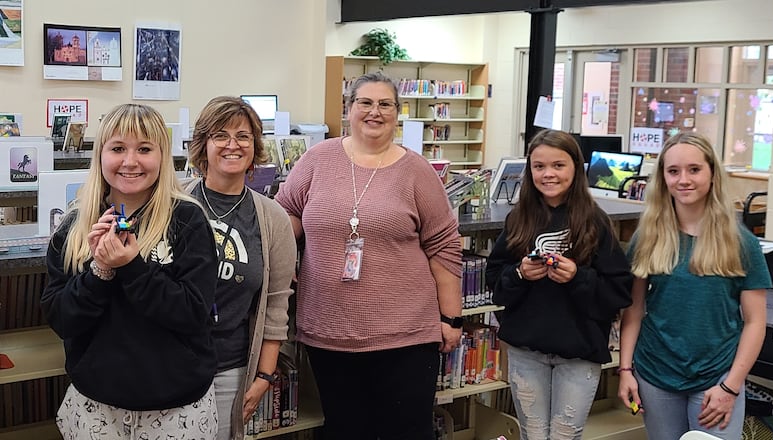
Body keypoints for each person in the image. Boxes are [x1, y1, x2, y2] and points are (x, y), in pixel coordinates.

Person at [275, 71, 463, 440]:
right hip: (329, 331)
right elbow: (286, 216)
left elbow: (444, 246)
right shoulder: (316, 159)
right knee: (345, 430)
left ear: (397, 113)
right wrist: (284, 260)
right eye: (365, 102)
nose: (374, 112)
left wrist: (452, 319)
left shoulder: (417, 172)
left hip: (405, 337)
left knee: (405, 432)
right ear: (349, 109)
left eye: (385, 104)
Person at [40, 103, 219, 440]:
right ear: (101, 155)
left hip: (178, 409)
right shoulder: (74, 227)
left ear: (163, 157)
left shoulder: (188, 221)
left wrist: (132, 268)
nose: (131, 161)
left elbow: (194, 313)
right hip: (96, 406)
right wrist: (100, 271)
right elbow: (61, 319)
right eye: (118, 148)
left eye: (145, 149)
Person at [617, 133, 771, 440]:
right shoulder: (649, 237)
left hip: (716, 379)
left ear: (712, 173)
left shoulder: (741, 242)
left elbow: (755, 322)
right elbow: (633, 309)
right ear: (663, 177)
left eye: (694, 169)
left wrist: (732, 385)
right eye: (673, 171)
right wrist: (624, 371)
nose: (683, 179)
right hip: (655, 375)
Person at [485, 129, 633, 440]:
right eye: (539, 167)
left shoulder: (596, 221)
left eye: (558, 165)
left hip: (579, 353)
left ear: (576, 169)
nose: (548, 174)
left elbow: (619, 291)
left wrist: (577, 277)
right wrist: (520, 273)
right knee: (533, 434)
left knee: (566, 435)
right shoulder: (518, 219)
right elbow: (496, 283)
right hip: (526, 350)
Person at [187, 96, 297, 440]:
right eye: (221, 135)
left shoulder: (273, 218)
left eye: (243, 136)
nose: (232, 145)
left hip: (231, 369)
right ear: (203, 145)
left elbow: (277, 304)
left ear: (255, 147)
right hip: (168, 363)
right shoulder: (175, 201)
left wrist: (264, 376)